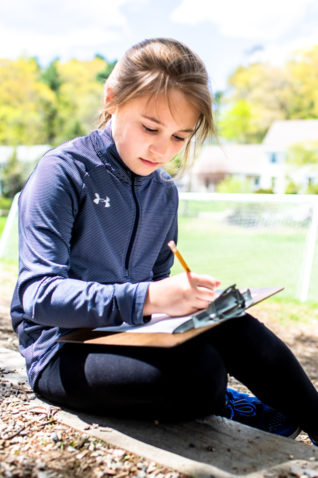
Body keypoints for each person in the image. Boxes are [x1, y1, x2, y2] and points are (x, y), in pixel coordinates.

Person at [10, 38, 318, 444]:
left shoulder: (164, 192)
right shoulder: (63, 172)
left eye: (179, 137)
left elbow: (157, 289)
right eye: (150, 127)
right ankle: (221, 401)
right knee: (201, 373)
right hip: (61, 351)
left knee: (236, 326)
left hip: (132, 337)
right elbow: (38, 295)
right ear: (112, 98)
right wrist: (150, 298)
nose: (162, 149)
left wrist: (187, 304)